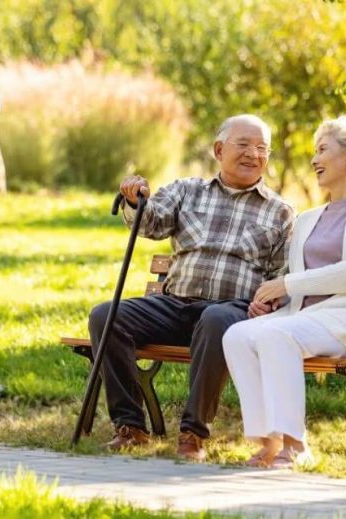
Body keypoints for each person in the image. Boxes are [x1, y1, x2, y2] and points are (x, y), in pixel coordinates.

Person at [89, 114, 294, 460]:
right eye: (243, 144)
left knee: (215, 319)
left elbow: (283, 274)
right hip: (175, 304)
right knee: (106, 316)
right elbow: (151, 222)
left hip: (232, 311)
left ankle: (193, 433)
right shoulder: (187, 191)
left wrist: (270, 303)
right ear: (218, 149)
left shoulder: (280, 212)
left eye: (262, 148)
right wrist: (137, 200)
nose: (253, 154)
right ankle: (130, 427)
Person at [223, 116, 346, 468]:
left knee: (277, 336)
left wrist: (288, 284)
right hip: (307, 317)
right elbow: (303, 282)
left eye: (322, 150)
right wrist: (278, 299)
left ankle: (296, 446)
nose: (314, 159)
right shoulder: (307, 218)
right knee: (237, 335)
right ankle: (268, 441)